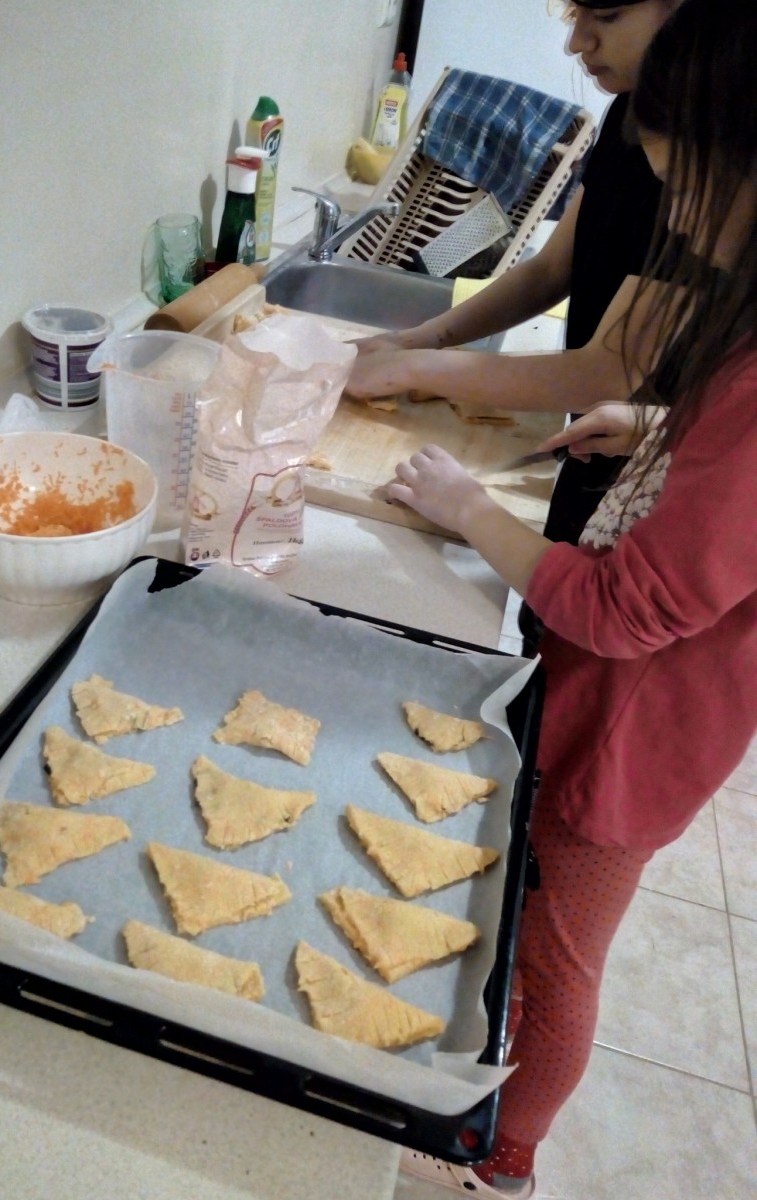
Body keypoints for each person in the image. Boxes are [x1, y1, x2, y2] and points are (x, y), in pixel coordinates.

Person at [395, 0, 757, 1194]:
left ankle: (504, 1158)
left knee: (555, 964)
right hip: (605, 700)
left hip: (638, 739)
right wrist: (657, 427)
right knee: (521, 907)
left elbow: (628, 608)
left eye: (690, 184)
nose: (678, 218)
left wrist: (466, 507)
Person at [347, 0, 683, 637]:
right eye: (576, 16)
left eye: (607, 16)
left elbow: (606, 372)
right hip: (608, 438)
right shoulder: (629, 117)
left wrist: (417, 369)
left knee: (585, 631)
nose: (577, 44)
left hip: (652, 476)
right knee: (555, 625)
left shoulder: (715, 166)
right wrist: (424, 338)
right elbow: (553, 268)